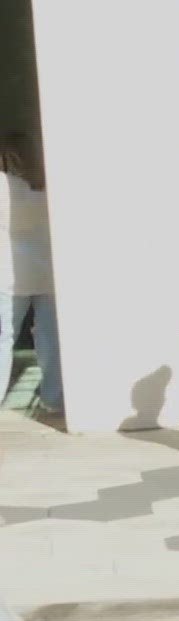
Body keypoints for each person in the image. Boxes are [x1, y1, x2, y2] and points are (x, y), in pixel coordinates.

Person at [1, 135, 61, 418]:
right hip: (48, 273)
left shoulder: (4, 186)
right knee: (51, 338)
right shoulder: (51, 186)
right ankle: (55, 397)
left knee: (4, 339)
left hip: (9, 275)